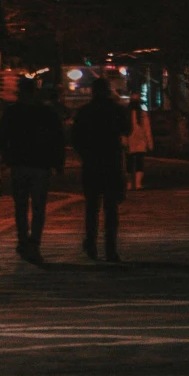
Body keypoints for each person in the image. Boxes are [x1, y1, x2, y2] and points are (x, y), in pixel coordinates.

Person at [0, 76, 65, 263]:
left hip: (19, 163)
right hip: (41, 164)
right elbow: (58, 138)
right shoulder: (46, 113)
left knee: (21, 205)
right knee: (38, 206)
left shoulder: (12, 112)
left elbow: (1, 136)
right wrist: (58, 163)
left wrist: (6, 156)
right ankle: (34, 241)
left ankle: (23, 239)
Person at [72, 75, 131, 261]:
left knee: (92, 207)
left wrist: (84, 154)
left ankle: (91, 244)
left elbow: (75, 138)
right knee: (111, 208)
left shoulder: (84, 112)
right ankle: (110, 248)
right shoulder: (116, 110)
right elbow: (127, 130)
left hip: (91, 162)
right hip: (111, 160)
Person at [125, 95, 154, 188]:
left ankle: (129, 184)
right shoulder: (143, 115)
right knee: (139, 163)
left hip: (129, 141)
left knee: (129, 163)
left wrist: (123, 140)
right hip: (140, 141)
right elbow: (147, 130)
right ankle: (138, 183)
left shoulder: (126, 115)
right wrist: (150, 144)